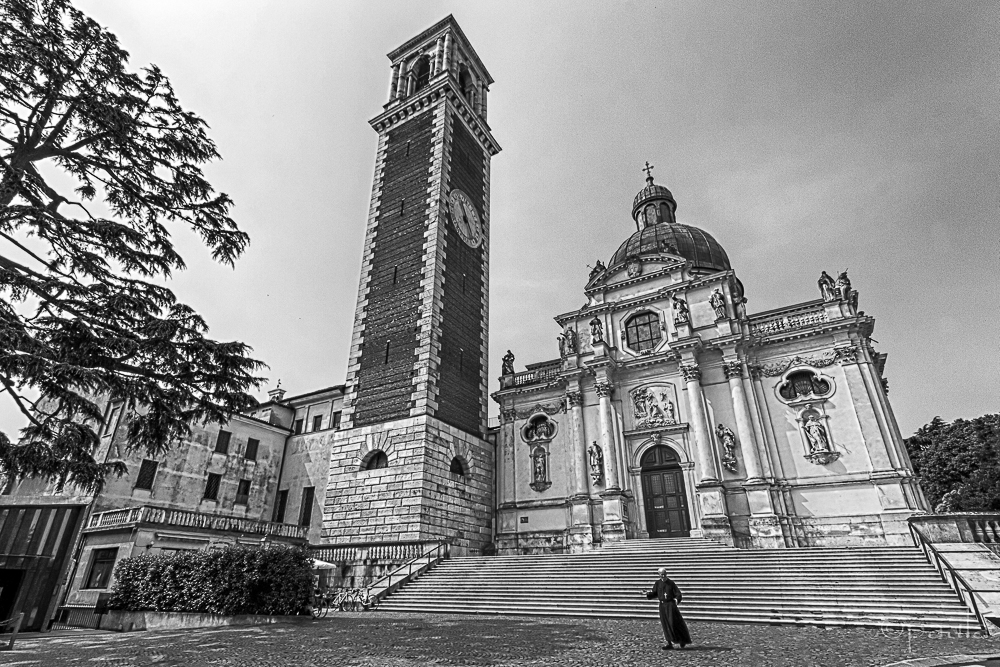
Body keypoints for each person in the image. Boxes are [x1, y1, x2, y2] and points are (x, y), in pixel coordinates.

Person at [643, 568, 691, 650]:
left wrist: (677, 599)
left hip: (670, 606)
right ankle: (669, 643)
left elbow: (678, 593)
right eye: (661, 574)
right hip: (662, 606)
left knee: (673, 623)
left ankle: (682, 640)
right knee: (665, 624)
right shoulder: (657, 583)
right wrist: (648, 593)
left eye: (664, 574)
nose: (663, 576)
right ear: (659, 575)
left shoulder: (671, 583)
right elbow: (655, 593)